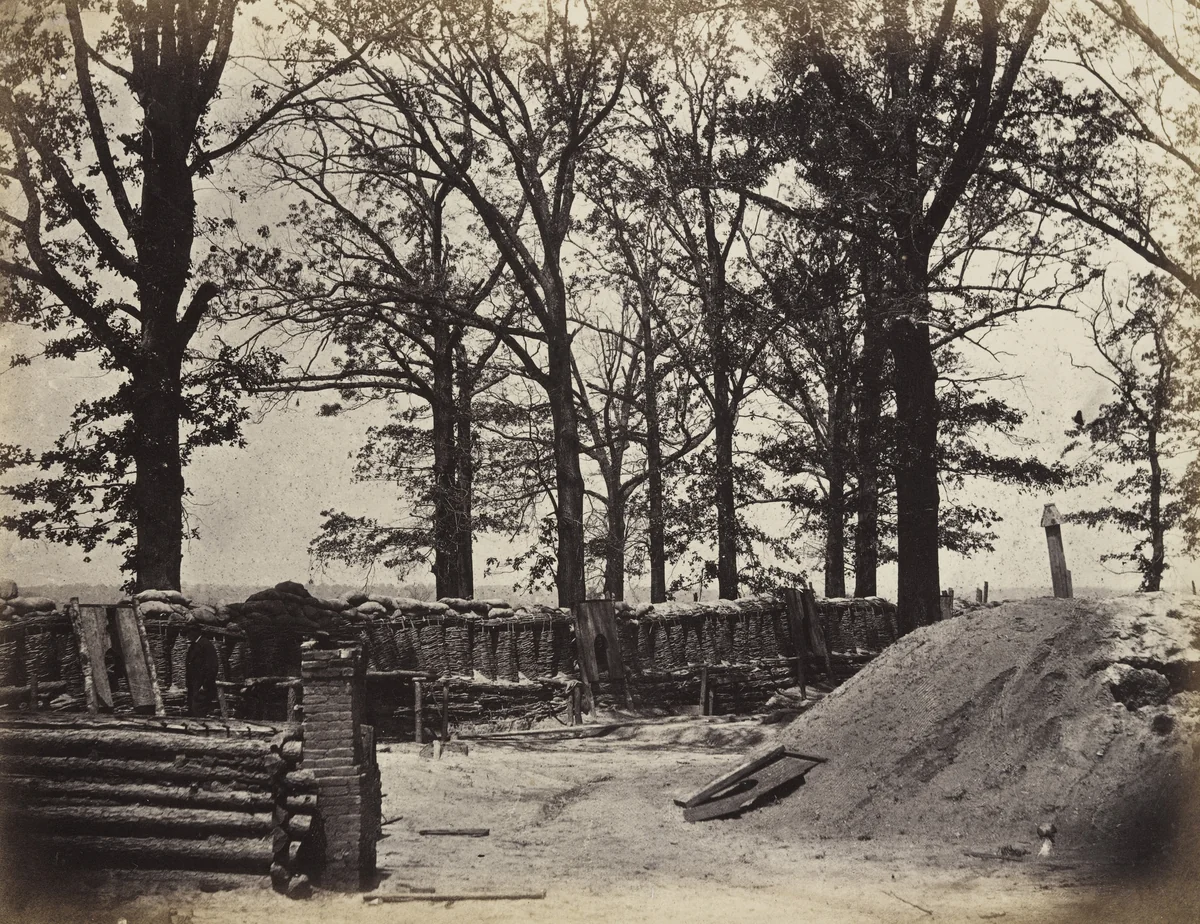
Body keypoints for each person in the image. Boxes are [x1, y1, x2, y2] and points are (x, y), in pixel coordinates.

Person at [185, 625, 219, 717]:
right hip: (194, 686)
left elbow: (212, 667)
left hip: (202, 687)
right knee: (192, 711)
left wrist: (205, 685)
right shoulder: (194, 645)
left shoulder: (206, 645)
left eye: (189, 632)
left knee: (198, 712)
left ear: (197, 632)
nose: (188, 635)